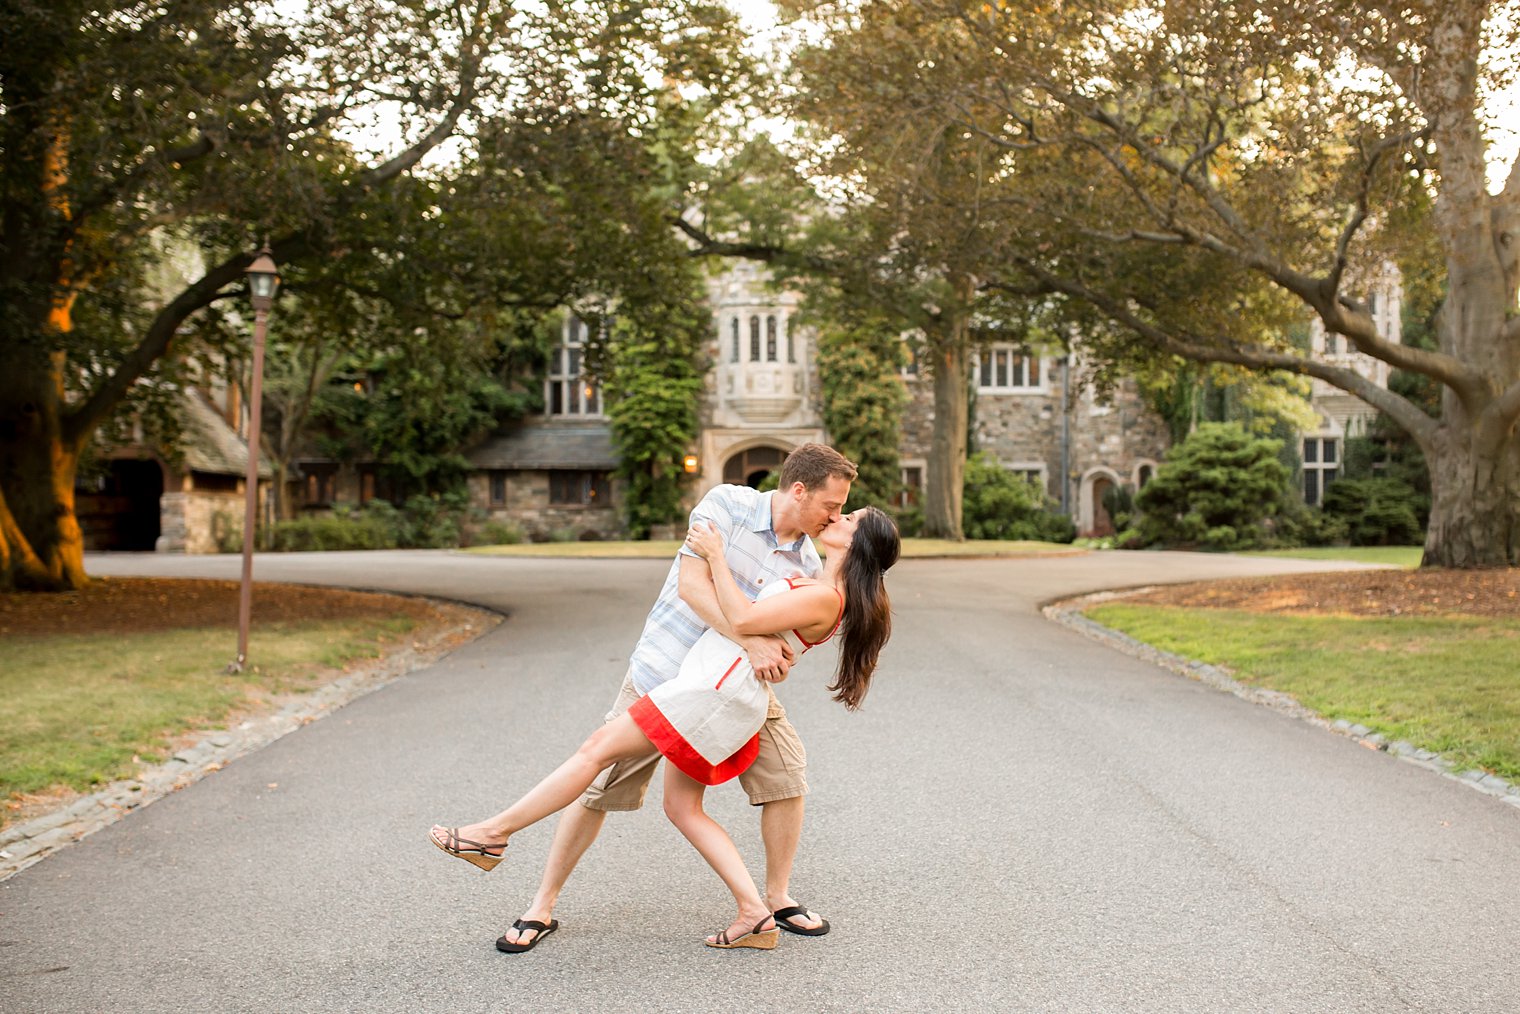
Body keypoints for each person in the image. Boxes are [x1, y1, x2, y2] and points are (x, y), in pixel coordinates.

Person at [429, 443, 855, 952]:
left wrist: (771, 653)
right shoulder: (727, 505)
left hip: (733, 690)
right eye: (831, 505)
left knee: (786, 777)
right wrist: (749, 638)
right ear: (800, 490)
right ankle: (541, 905)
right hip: (664, 669)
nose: (836, 515)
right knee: (598, 787)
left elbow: (786, 645)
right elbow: (692, 587)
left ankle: (775, 899)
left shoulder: (809, 559)